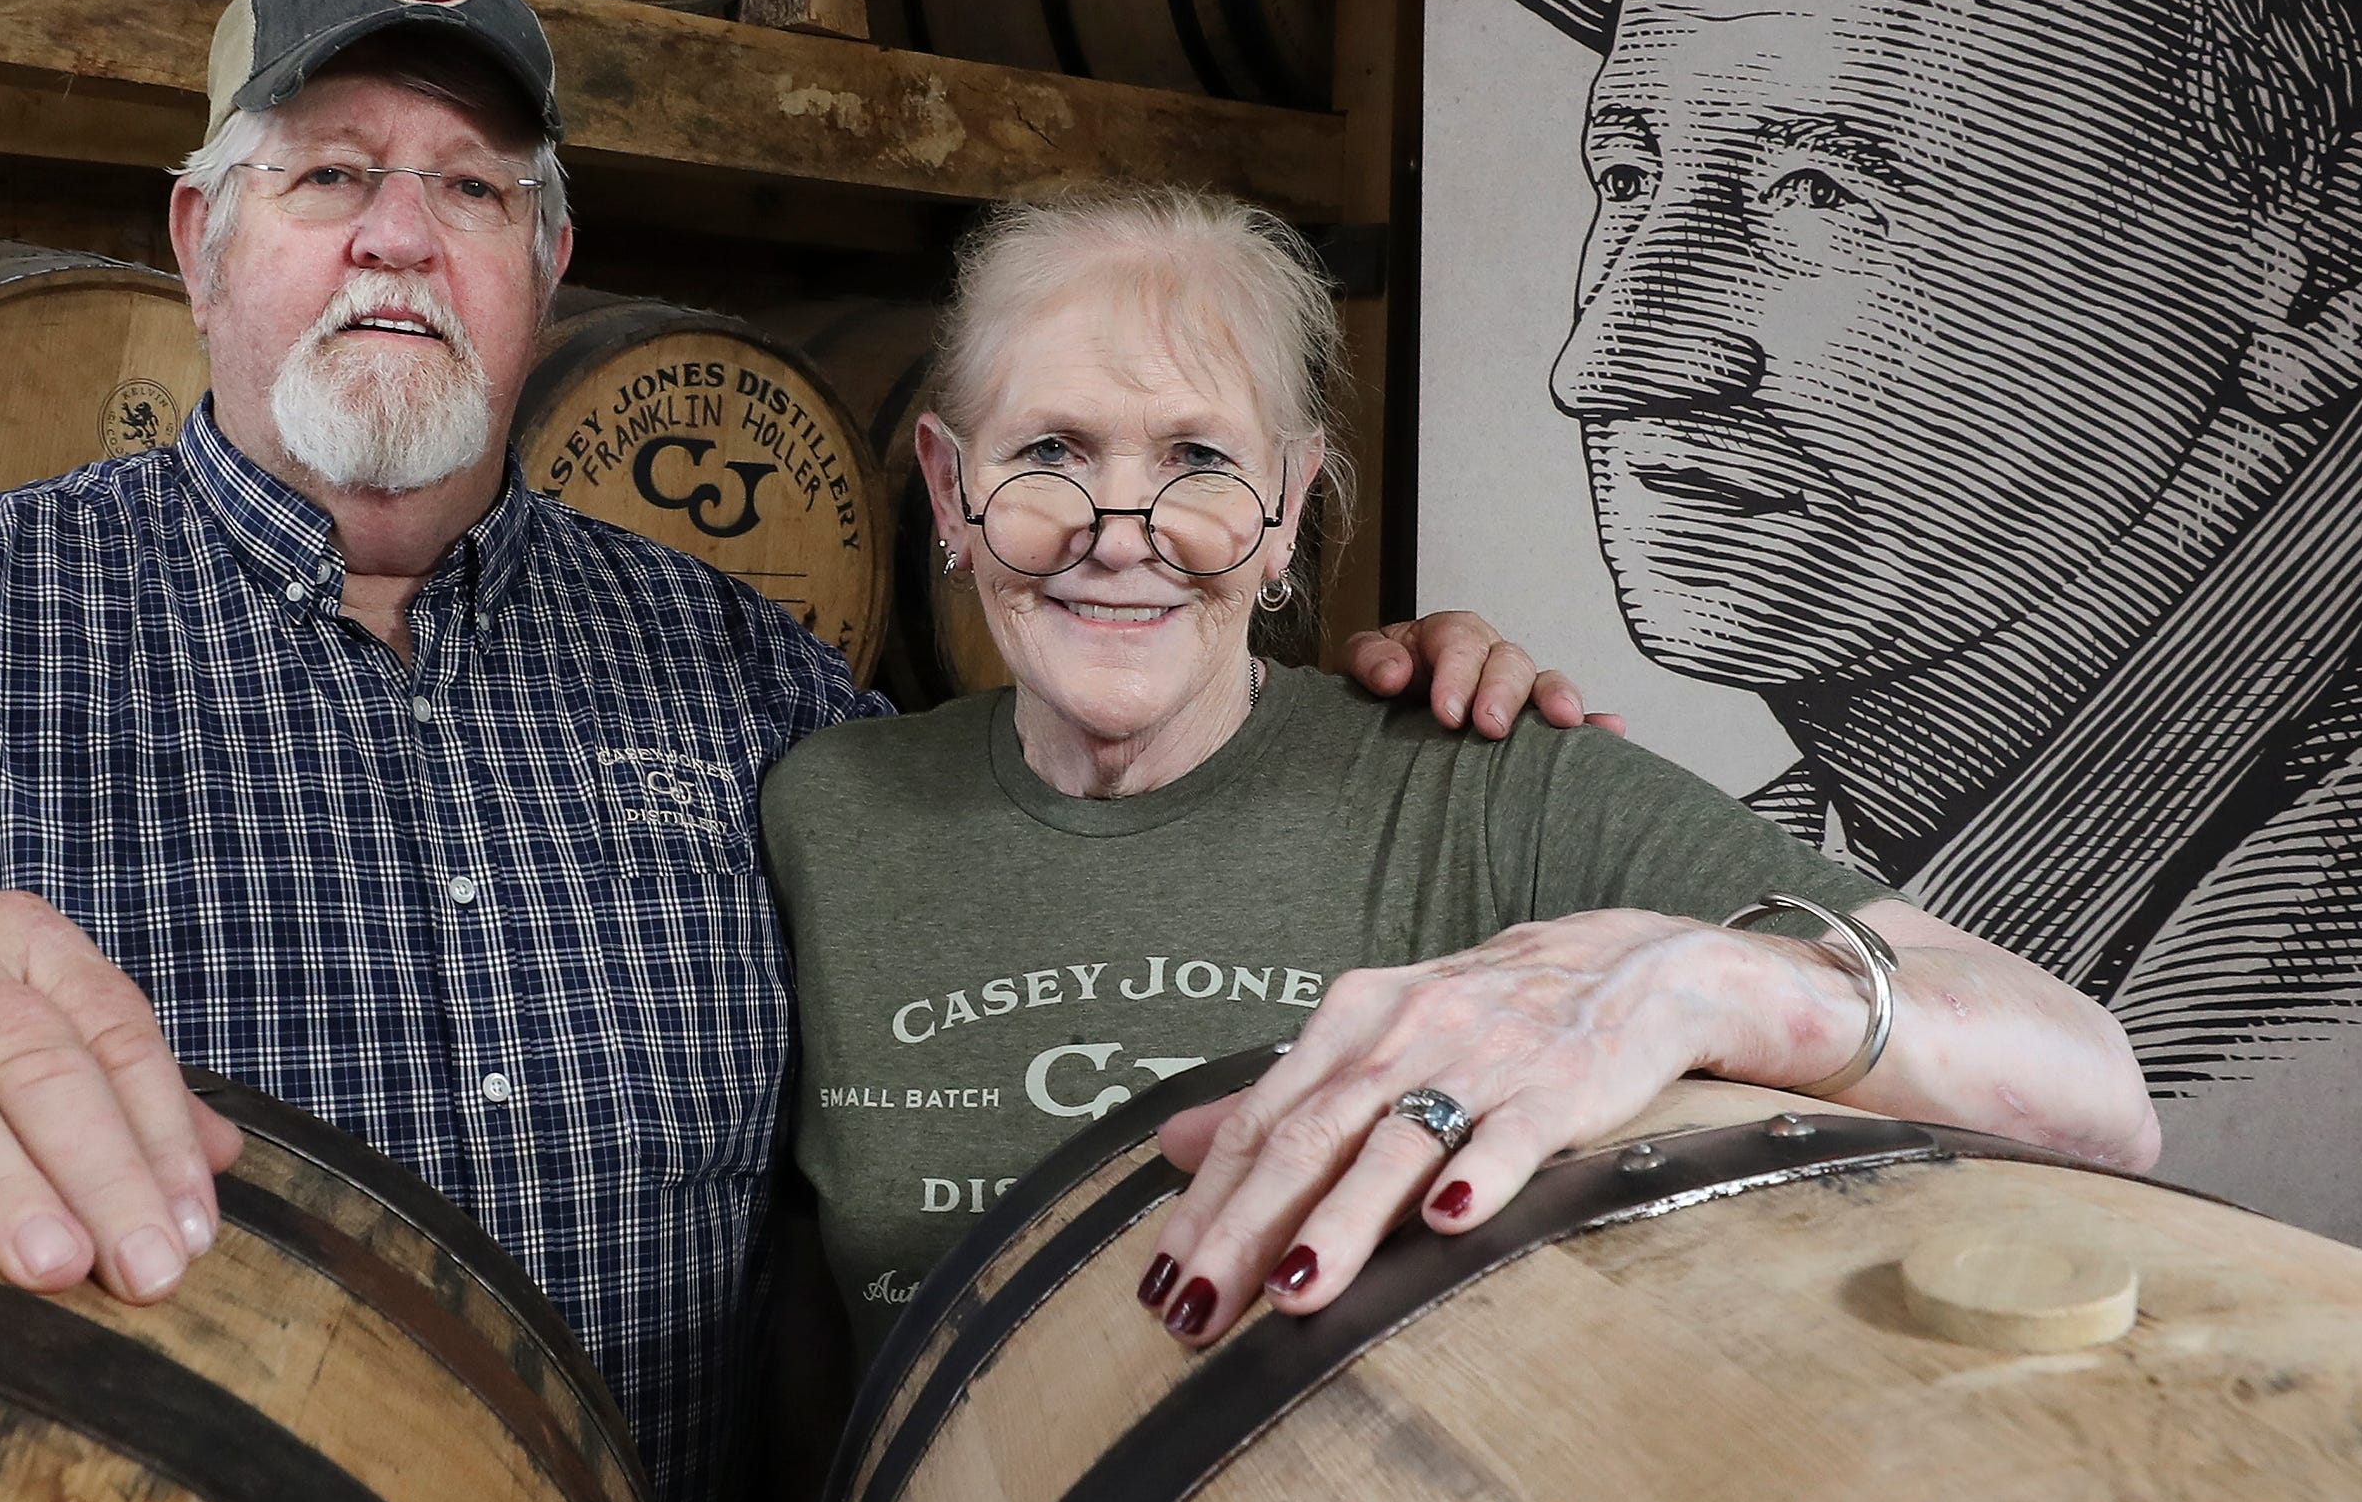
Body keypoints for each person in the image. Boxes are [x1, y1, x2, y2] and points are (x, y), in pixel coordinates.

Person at [0, 0, 1588, 1502]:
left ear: (550, 264)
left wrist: (1336, 702)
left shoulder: (732, 664)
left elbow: (1052, 821)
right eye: (331, 177)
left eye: (476, 190)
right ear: (202, 240)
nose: (405, 240)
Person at [1424, 0, 2362, 1215]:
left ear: (2334, 272)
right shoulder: (1819, 849)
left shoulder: (2355, 948)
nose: (1605, 352)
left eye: (1820, 190)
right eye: (1631, 177)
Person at [761, 188, 2157, 1362]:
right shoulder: (829, 815)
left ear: (1289, 509)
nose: (1120, 534)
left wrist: (1694, 981)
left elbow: (2098, 1094)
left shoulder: (1484, 784)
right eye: (1051, 453)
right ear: (951, 491)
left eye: (1198, 458)